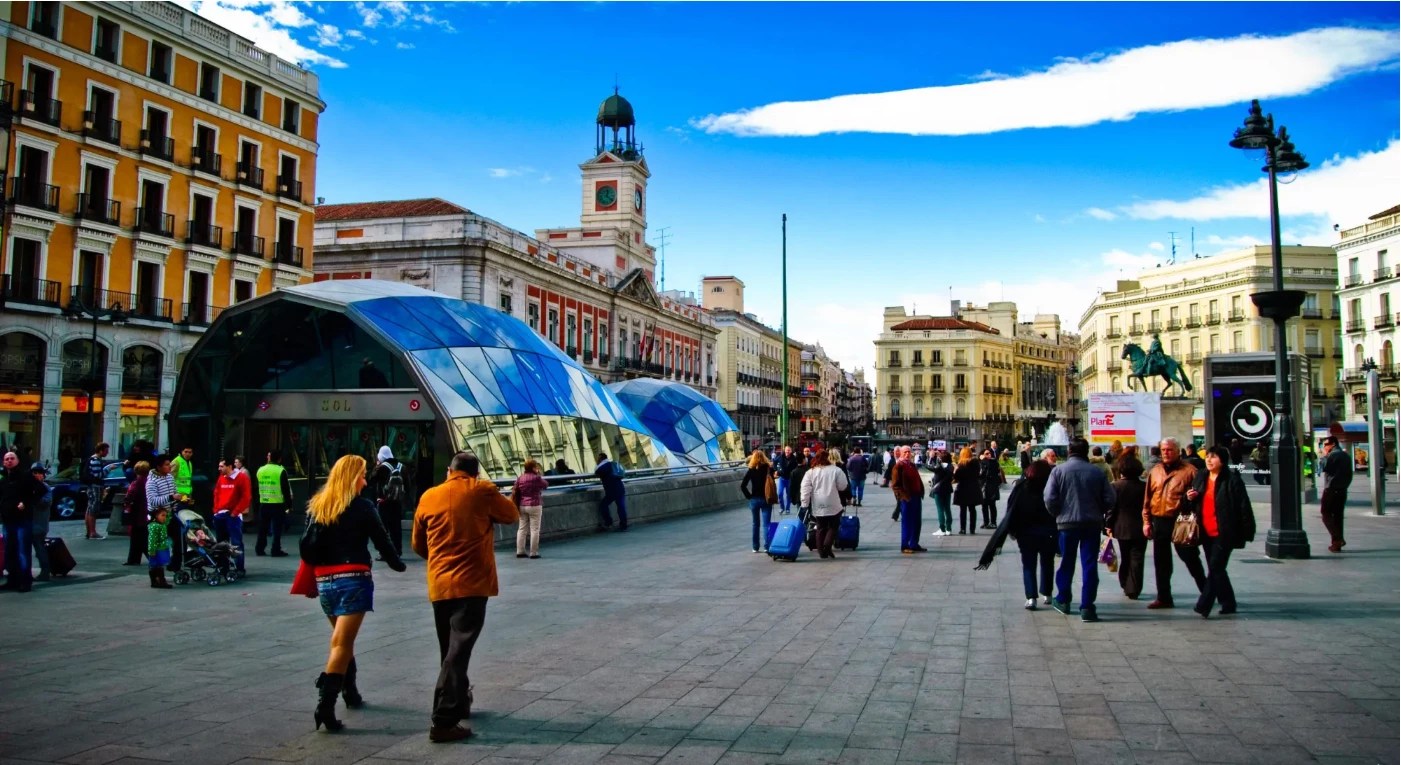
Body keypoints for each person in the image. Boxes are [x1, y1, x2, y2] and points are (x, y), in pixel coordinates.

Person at [412, 452, 519, 743]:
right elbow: (511, 515)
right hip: (471, 584)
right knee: (458, 651)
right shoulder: (481, 490)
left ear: (449, 471)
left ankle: (460, 701)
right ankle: (443, 720)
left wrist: (439, 561)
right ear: (474, 473)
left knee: (450, 648)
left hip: (439, 585)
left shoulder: (429, 496)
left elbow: (418, 544)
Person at [301, 454, 406, 733]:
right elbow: (382, 541)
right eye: (361, 475)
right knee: (341, 644)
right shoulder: (363, 506)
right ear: (352, 477)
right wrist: (398, 564)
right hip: (353, 579)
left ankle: (351, 692)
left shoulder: (319, 506)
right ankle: (326, 704)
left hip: (325, 581)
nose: (364, 480)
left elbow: (307, 547)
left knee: (342, 640)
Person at [1044, 438, 1116, 622]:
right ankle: (1087, 607)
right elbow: (1110, 498)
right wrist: (1099, 510)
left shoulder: (1058, 471)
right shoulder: (1096, 472)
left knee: (1066, 561)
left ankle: (1064, 599)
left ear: (1069, 451)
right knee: (1090, 564)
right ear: (1086, 452)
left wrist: (1058, 514)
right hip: (1091, 523)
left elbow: (1049, 498)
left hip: (1067, 524)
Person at [1186, 446, 1255, 618]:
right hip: (1205, 530)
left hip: (1225, 531)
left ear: (1222, 461)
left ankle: (1203, 605)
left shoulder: (1232, 480)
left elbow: (1244, 507)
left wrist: (1247, 531)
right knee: (1217, 569)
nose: (1209, 460)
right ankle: (1228, 602)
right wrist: (1189, 497)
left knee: (1216, 566)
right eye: (1208, 456)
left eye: (1214, 457)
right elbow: (1192, 503)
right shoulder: (1201, 476)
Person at [977, 459, 1057, 609]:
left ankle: (1031, 597)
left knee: (1028, 564)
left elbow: (1012, 510)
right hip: (1048, 532)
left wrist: (1012, 530)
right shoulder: (1052, 487)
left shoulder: (1022, 487)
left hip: (1026, 532)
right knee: (1047, 562)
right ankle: (1048, 594)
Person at [1141, 437, 1206, 609]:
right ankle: (1163, 597)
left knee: (1190, 558)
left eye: (1169, 450)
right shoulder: (1155, 471)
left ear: (1178, 451)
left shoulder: (1190, 471)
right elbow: (1148, 498)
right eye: (1163, 450)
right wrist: (1146, 521)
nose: (1166, 453)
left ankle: (1207, 591)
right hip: (1159, 519)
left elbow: (1199, 497)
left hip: (1181, 520)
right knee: (1161, 561)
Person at [2, 451, 48, 592]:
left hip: (22, 520)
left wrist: (27, 503)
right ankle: (12, 579)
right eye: (6, 459)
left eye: (12, 458)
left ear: (17, 461)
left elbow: (41, 489)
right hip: (8, 520)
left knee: (23, 551)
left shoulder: (25, 476)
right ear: (4, 462)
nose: (9, 461)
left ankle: (25, 581)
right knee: (10, 551)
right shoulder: (4, 479)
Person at [1106, 454, 1148, 600]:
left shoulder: (1115, 486)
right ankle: (1134, 587)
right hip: (1141, 526)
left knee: (1125, 556)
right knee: (1137, 557)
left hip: (1121, 526)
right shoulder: (1144, 486)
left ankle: (1125, 583)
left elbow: (1112, 508)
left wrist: (1108, 525)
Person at [799, 449, 849, 559]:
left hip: (818, 503)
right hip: (833, 502)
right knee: (833, 526)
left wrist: (804, 504)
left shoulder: (810, 472)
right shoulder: (836, 470)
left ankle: (821, 551)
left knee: (820, 527)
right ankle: (827, 545)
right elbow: (843, 486)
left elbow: (805, 489)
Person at [212, 457, 251, 573]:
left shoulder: (241, 478)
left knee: (236, 543)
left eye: (221, 466)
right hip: (220, 514)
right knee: (221, 543)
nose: (219, 469)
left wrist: (235, 512)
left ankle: (239, 568)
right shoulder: (221, 478)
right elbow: (216, 494)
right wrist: (216, 510)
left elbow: (246, 497)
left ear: (229, 466)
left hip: (233, 516)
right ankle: (223, 567)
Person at [145, 454, 183, 574]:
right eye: (166, 465)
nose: (170, 467)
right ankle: (156, 571)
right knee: (158, 544)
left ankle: (176, 565)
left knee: (178, 539)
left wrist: (178, 499)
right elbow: (153, 501)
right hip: (157, 517)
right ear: (159, 467)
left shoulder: (170, 478)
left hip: (170, 514)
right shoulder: (151, 482)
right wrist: (171, 497)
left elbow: (174, 492)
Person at [1318, 436, 1352, 553]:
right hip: (1342, 489)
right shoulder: (1345, 455)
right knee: (1338, 516)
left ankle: (1337, 539)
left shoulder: (1333, 455)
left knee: (1325, 513)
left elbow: (1324, 467)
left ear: (1332, 444)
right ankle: (1336, 543)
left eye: (1326, 445)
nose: (1324, 447)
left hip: (1331, 489)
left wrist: (1324, 455)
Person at [256, 451, 294, 557]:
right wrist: (289, 505)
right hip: (277, 504)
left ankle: (259, 548)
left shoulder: (260, 470)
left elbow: (257, 486)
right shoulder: (281, 470)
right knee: (277, 529)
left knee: (262, 528)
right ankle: (275, 549)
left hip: (264, 502)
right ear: (279, 459)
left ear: (269, 458)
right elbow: (285, 490)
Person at [890, 446, 926, 554]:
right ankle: (905, 545)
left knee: (917, 521)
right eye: (905, 452)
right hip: (907, 498)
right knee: (907, 522)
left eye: (909, 452)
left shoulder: (911, 465)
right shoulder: (898, 466)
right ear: (901, 453)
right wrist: (903, 496)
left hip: (916, 496)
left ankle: (914, 544)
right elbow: (895, 485)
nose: (907, 454)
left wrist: (921, 491)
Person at [371, 446, 406, 555]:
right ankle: (398, 551)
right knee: (396, 528)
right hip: (397, 503)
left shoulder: (382, 467)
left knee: (383, 529)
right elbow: (408, 485)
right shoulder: (402, 467)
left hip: (384, 502)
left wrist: (376, 467)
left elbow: (372, 479)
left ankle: (385, 553)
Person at [740, 450, 775, 553]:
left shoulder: (751, 470)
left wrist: (749, 496)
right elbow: (772, 483)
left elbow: (743, 486)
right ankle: (767, 547)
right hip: (766, 499)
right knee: (766, 524)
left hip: (754, 499)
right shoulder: (768, 469)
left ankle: (755, 547)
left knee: (755, 524)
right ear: (764, 457)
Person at [512, 459, 548, 559]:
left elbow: (515, 488)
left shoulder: (520, 478)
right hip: (535, 505)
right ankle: (533, 552)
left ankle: (520, 551)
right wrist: (538, 474)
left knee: (522, 528)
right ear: (533, 467)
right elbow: (545, 485)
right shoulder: (536, 478)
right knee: (534, 529)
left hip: (522, 505)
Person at [123, 461, 151, 566]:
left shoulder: (136, 483)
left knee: (138, 537)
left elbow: (129, 497)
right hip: (146, 512)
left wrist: (126, 503)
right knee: (141, 536)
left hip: (137, 513)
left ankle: (134, 559)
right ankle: (134, 559)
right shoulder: (149, 481)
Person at [29, 462, 53, 581]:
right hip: (29, 523)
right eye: (34, 473)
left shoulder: (45, 488)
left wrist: (34, 499)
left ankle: (45, 571)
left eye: (39, 473)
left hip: (39, 524)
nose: (36, 475)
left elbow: (45, 502)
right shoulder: (30, 487)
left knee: (39, 549)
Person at [594, 453, 628, 531]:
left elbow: (596, 471)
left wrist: (598, 464)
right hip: (620, 488)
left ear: (601, 458)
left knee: (603, 505)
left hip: (611, 490)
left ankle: (608, 522)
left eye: (598, 458)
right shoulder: (612, 464)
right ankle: (624, 525)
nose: (597, 460)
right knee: (621, 507)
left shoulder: (604, 466)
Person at [84, 442, 111, 539]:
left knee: (89, 508)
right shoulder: (95, 460)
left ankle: (89, 532)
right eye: (106, 451)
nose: (107, 453)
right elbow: (98, 475)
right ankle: (92, 532)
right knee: (93, 509)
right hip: (95, 487)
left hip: (91, 486)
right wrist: (108, 469)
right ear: (101, 451)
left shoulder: (92, 459)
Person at [953, 449, 981, 535]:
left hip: (963, 488)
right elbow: (978, 474)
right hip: (973, 488)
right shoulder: (975, 463)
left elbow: (956, 478)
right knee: (972, 509)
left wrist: (955, 470)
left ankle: (963, 529)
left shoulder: (961, 465)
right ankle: (972, 529)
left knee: (963, 510)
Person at [146, 505, 174, 589]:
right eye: (162, 515)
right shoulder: (154, 526)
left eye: (165, 515)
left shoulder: (162, 524)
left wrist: (169, 513)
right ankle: (158, 581)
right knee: (155, 565)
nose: (164, 518)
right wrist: (152, 551)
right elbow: (152, 540)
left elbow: (168, 520)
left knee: (159, 565)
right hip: (156, 549)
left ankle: (158, 581)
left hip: (162, 548)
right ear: (156, 516)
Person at [928, 450, 954, 536]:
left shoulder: (939, 466)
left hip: (938, 490)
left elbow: (928, 466)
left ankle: (942, 529)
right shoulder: (951, 466)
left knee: (940, 509)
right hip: (947, 490)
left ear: (941, 458)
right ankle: (949, 529)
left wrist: (931, 457)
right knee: (947, 509)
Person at [977, 448, 1005, 530]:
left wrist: (985, 459)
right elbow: (980, 474)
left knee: (992, 505)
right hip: (983, 486)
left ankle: (993, 522)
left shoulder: (993, 462)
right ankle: (985, 522)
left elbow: (992, 468)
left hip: (992, 486)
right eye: (986, 453)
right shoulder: (981, 463)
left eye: (989, 453)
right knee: (984, 505)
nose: (988, 455)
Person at [774, 446, 796, 515]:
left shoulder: (794, 459)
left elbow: (797, 466)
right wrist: (776, 470)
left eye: (789, 450)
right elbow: (774, 461)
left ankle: (788, 509)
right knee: (780, 493)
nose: (787, 451)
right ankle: (782, 507)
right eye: (786, 450)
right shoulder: (780, 457)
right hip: (782, 478)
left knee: (788, 494)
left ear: (791, 451)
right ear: (784, 450)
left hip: (790, 479)